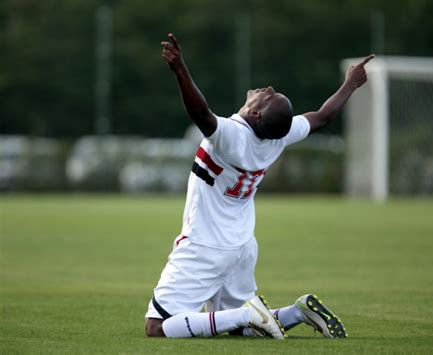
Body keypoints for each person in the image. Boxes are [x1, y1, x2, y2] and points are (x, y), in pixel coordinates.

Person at [145, 33, 374, 339]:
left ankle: (251, 312)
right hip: (242, 246)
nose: (268, 89)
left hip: (205, 244)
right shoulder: (279, 137)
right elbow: (323, 117)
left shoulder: (231, 136)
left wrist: (180, 68)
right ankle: (297, 312)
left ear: (255, 113)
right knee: (241, 329)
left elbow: (199, 113)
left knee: (158, 328)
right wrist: (351, 84)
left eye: (268, 96)